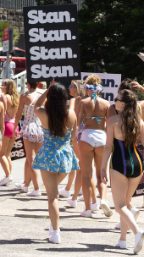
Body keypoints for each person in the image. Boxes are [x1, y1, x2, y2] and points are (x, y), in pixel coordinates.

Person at [101, 89, 144, 254]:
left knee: (119, 206)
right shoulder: (139, 122)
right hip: (137, 164)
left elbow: (109, 147)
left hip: (119, 164)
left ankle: (137, 232)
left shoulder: (113, 120)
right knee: (125, 203)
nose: (114, 101)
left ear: (123, 103)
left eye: (116, 99)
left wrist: (102, 167)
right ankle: (122, 240)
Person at [32, 80, 79, 244]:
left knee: (52, 196)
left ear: (50, 98)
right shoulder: (71, 114)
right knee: (55, 194)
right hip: (66, 157)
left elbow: (36, 105)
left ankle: (56, 232)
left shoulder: (44, 114)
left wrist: (47, 90)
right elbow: (74, 137)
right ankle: (54, 228)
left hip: (48, 157)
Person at [77, 75, 112, 218]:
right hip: (101, 137)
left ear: (87, 87)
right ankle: (103, 199)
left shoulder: (83, 102)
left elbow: (78, 123)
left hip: (87, 136)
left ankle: (88, 209)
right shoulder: (106, 103)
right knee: (101, 173)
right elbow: (109, 125)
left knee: (86, 175)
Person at [15, 81, 45, 196]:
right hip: (40, 128)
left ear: (28, 84)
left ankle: (36, 188)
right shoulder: (41, 96)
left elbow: (18, 115)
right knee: (30, 159)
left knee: (31, 160)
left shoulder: (24, 96)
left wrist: (14, 129)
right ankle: (26, 185)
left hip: (28, 127)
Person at [66, 79, 86, 207]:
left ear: (77, 88)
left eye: (71, 86)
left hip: (77, 132)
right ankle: (83, 192)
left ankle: (76, 196)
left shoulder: (75, 100)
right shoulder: (87, 100)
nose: (68, 88)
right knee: (85, 164)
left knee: (80, 164)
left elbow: (70, 115)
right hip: (89, 132)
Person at [0, 79, 21, 186]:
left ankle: (8, 176)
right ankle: (8, 176)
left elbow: (2, 114)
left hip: (6, 126)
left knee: (1, 154)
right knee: (7, 154)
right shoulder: (17, 98)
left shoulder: (4, 97)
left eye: (3, 85)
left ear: (7, 87)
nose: (1, 87)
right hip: (15, 127)